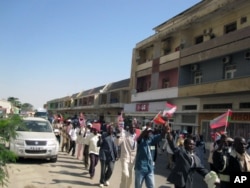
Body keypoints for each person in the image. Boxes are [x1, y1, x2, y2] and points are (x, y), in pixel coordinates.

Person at [166, 123, 220, 188]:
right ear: (185, 145)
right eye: (190, 144)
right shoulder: (181, 152)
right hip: (180, 179)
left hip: (188, 180)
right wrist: (169, 133)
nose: (192, 145)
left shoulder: (195, 157)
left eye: (193, 144)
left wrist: (213, 179)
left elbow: (201, 169)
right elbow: (173, 145)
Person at [134, 120, 167, 188]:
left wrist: (165, 129)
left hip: (150, 168)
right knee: (138, 186)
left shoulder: (152, 139)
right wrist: (147, 128)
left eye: (150, 131)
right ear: (144, 132)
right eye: (148, 131)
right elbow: (139, 138)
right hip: (140, 168)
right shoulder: (140, 140)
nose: (150, 132)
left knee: (151, 186)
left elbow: (161, 135)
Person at [116, 123, 137, 188]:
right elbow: (117, 143)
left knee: (130, 178)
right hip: (125, 158)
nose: (133, 128)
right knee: (126, 174)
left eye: (134, 127)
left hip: (132, 160)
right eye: (131, 127)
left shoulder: (137, 136)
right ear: (129, 128)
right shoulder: (124, 134)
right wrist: (118, 135)